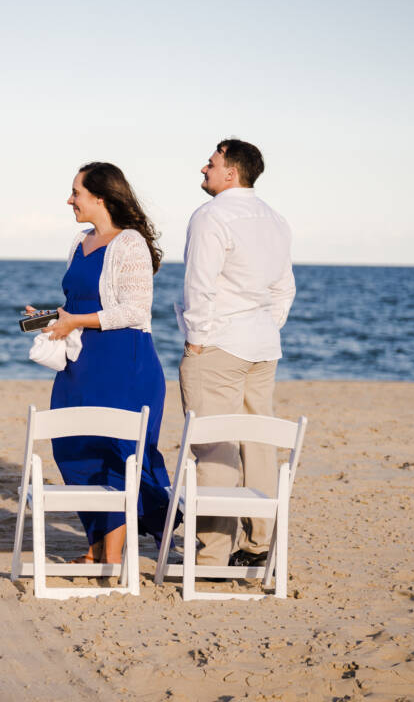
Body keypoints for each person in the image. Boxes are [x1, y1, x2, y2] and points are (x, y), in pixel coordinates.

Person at [27, 162, 173, 564]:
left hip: (124, 361)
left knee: (117, 452)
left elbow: (134, 310)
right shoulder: (79, 241)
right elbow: (77, 303)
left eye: (76, 192)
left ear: (101, 197)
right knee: (74, 448)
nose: (69, 199)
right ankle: (95, 547)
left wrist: (77, 320)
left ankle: (109, 555)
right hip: (81, 363)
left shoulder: (129, 243)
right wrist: (53, 318)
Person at [176, 138, 295, 568]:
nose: (203, 169)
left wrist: (196, 338)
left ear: (232, 172)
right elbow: (284, 287)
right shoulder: (276, 219)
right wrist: (265, 327)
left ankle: (213, 554)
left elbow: (199, 285)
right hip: (262, 347)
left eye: (210, 163)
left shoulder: (211, 216)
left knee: (214, 446)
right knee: (258, 443)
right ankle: (260, 544)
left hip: (219, 345)